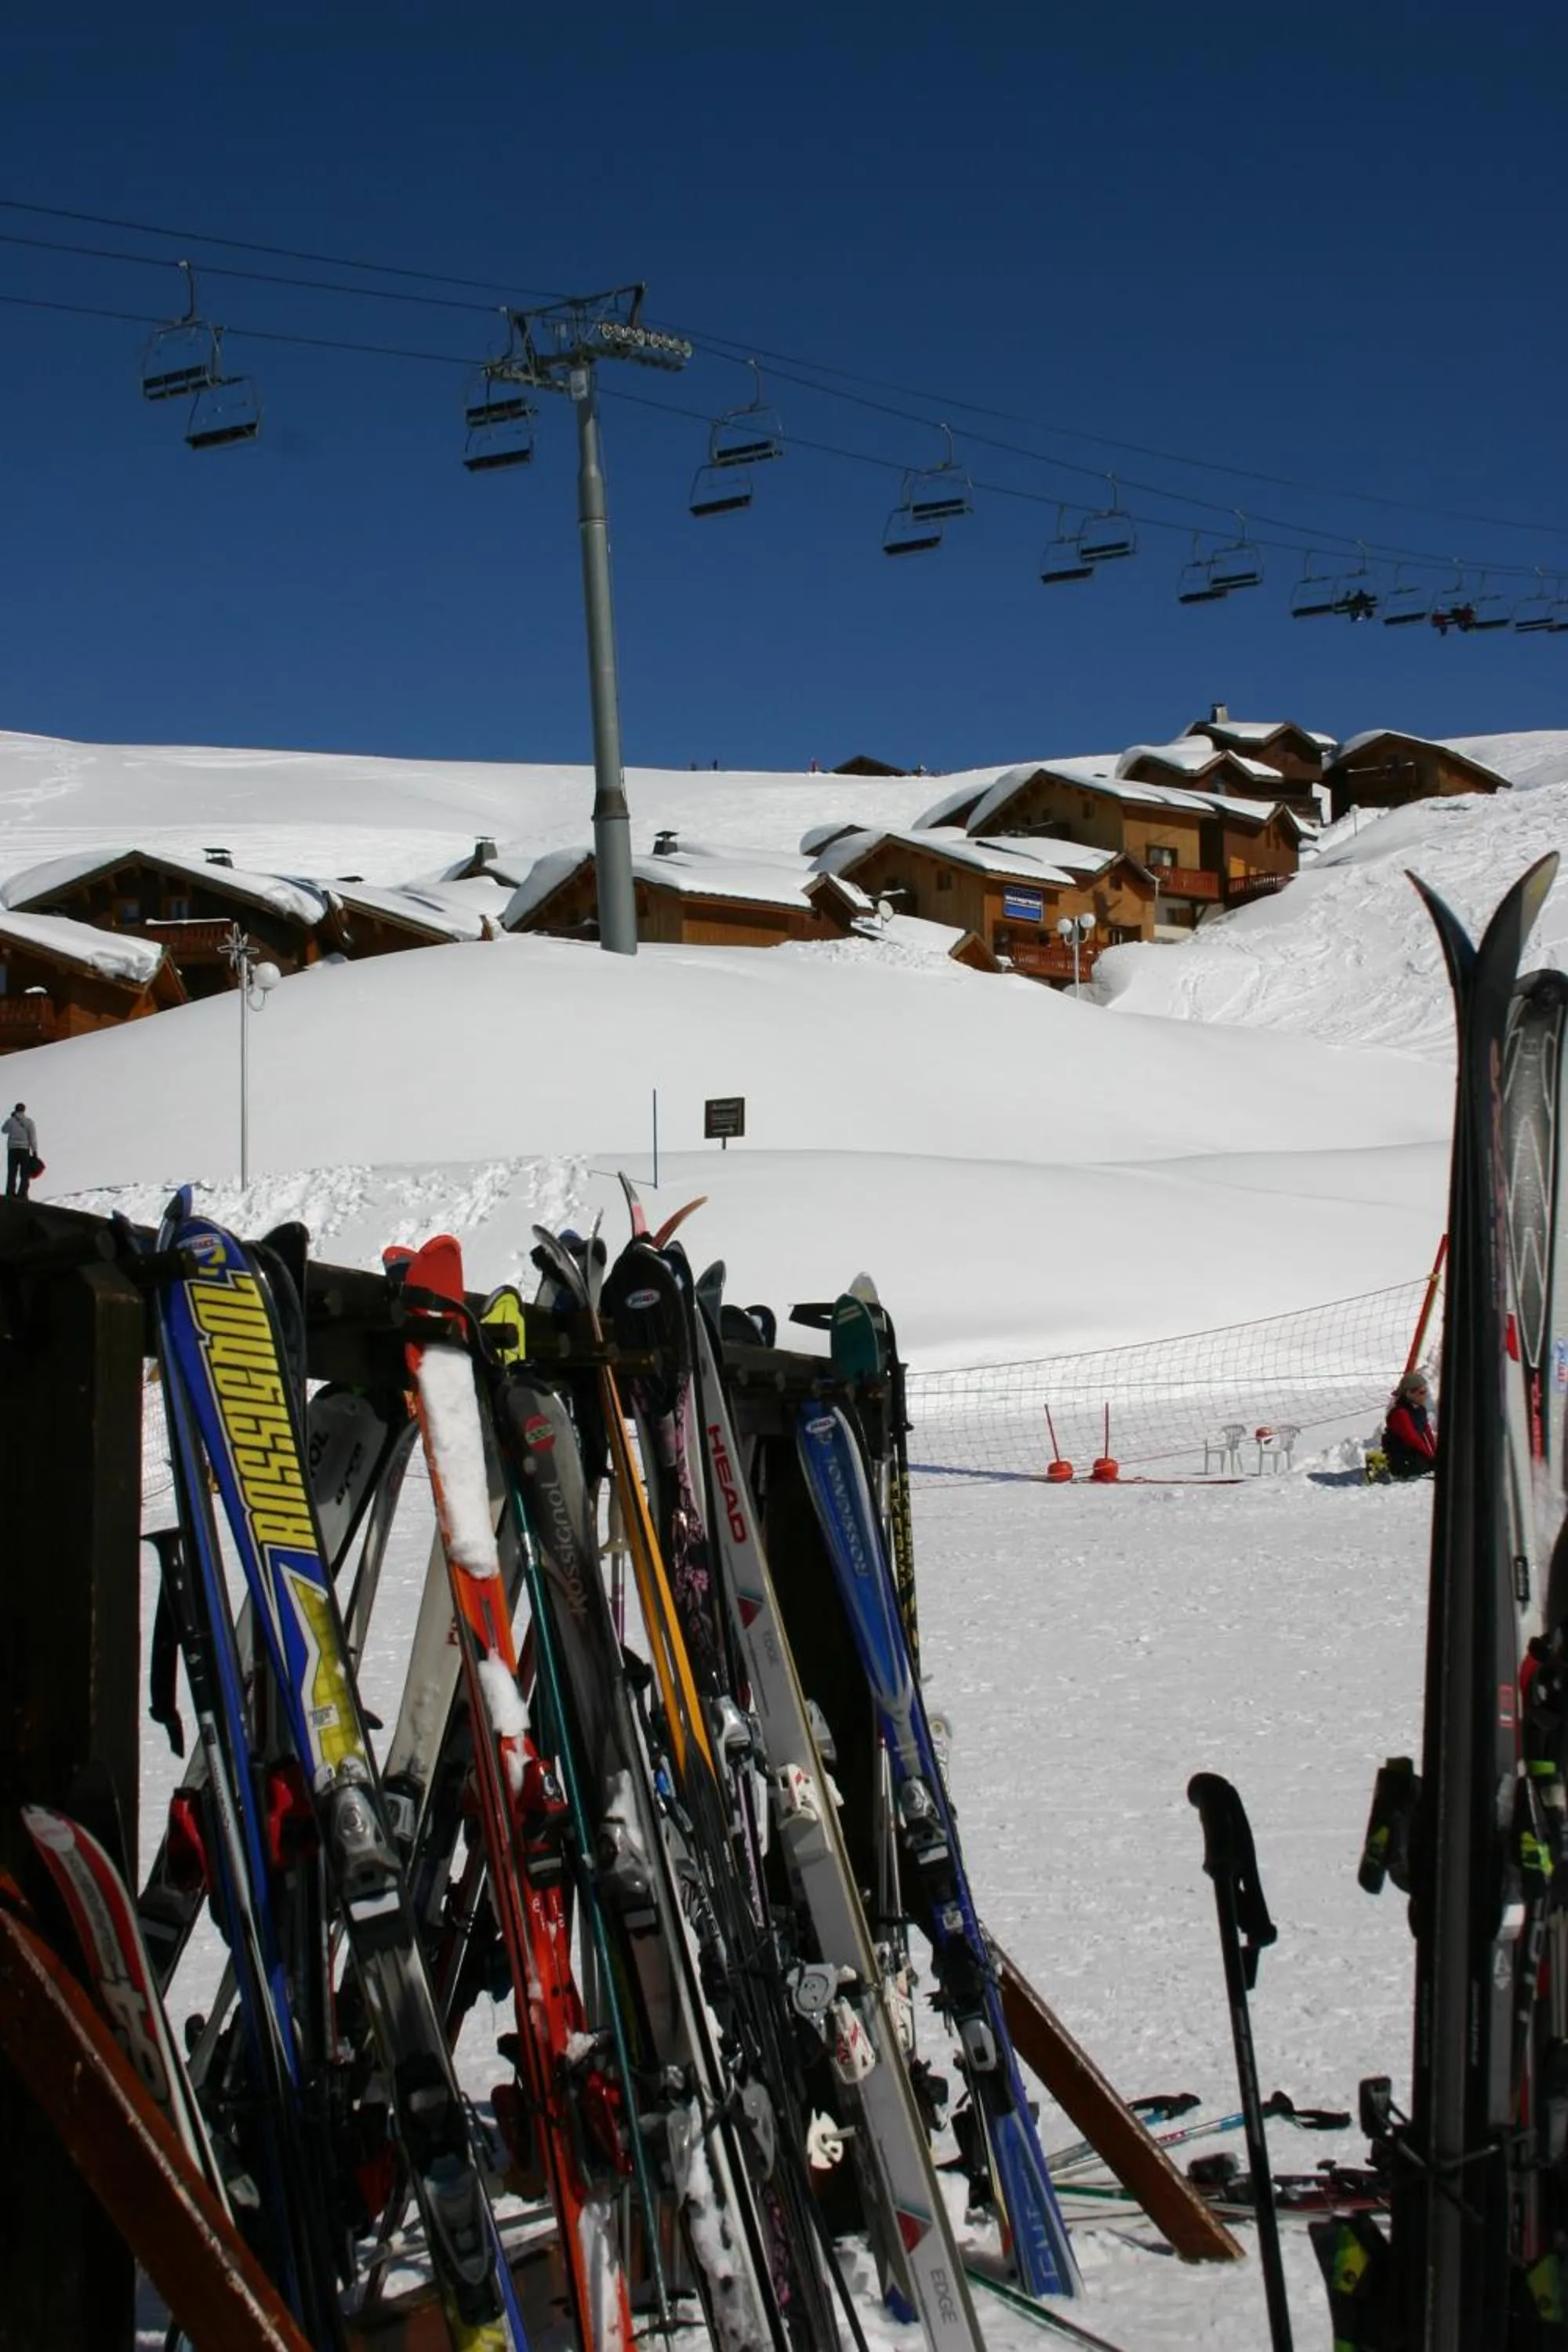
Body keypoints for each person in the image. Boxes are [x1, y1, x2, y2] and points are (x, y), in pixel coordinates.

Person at [1381, 1370, 1436, 1479]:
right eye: (1421, 1393)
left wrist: (1435, 1453)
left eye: (1426, 1392)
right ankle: (1386, 1468)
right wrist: (1430, 1457)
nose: (1425, 1396)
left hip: (1412, 1449)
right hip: (1399, 1452)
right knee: (1420, 1465)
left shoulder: (1420, 1409)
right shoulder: (1400, 1413)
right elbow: (1412, 1438)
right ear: (1408, 1393)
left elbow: (1427, 1433)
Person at [4, 1102, 38, 1198]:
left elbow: (3, 1130)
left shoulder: (10, 1121)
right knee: (25, 1173)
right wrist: (34, 1151)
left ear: (15, 1110)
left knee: (12, 1172)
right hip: (24, 1150)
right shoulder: (29, 1122)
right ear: (24, 1110)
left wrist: (12, 1117)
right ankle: (22, 1194)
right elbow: (33, 1138)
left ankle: (10, 1193)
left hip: (12, 1150)